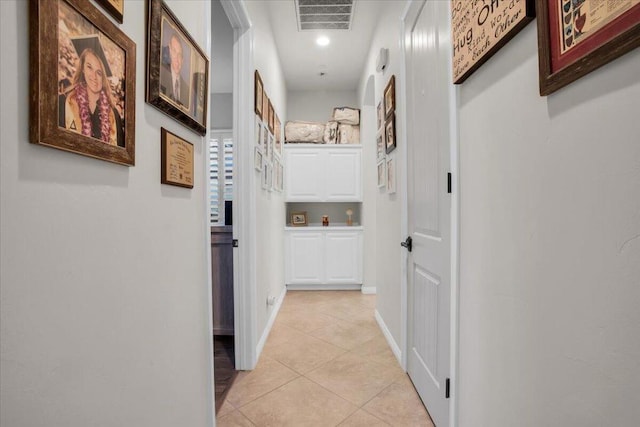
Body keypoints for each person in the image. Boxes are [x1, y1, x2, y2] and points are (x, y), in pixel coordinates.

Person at [58, 35, 124, 147]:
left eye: (99, 72)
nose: (94, 76)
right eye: (89, 67)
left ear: (104, 77)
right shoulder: (63, 102)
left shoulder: (114, 115)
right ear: (82, 69)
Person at [160, 33, 190, 107]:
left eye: (179, 55)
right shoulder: (161, 76)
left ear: (182, 60)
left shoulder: (187, 90)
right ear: (169, 52)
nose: (177, 59)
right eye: (174, 51)